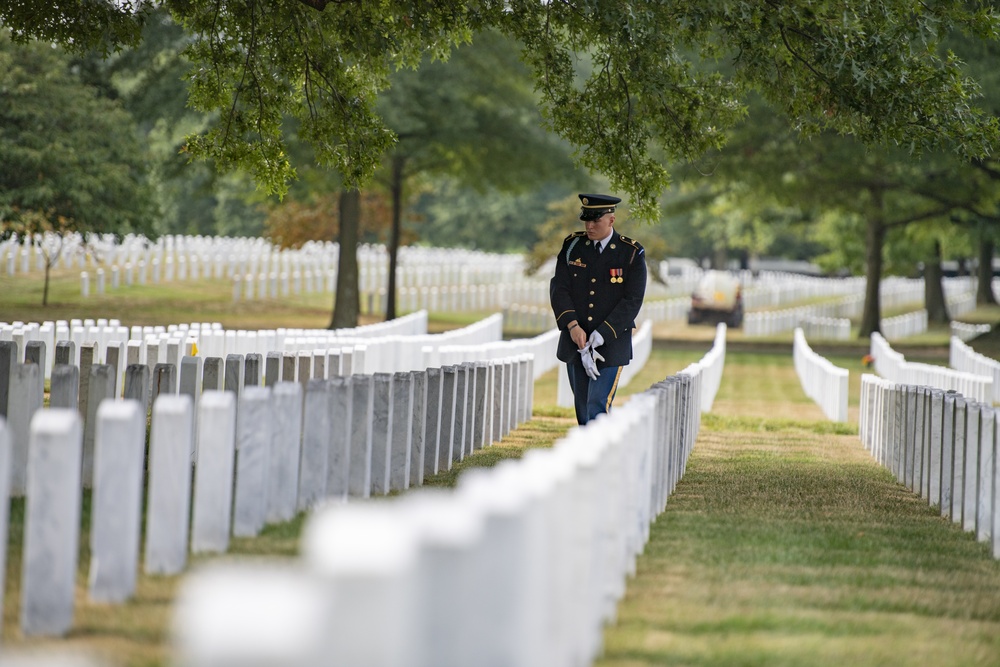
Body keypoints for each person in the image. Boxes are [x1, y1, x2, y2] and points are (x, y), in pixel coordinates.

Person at [550, 193, 647, 425]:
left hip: (611, 342)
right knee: (582, 406)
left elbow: (632, 300)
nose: (589, 226)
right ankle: (587, 455)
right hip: (576, 341)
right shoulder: (573, 246)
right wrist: (572, 325)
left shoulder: (630, 252)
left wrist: (602, 333)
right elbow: (559, 288)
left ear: (611, 220)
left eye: (596, 221)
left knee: (597, 403)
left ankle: (598, 457)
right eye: (586, 220)